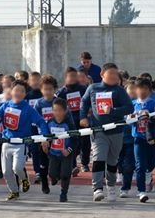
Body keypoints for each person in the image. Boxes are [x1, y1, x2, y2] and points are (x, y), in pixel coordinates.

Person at [81, 63, 134, 202]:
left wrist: (113, 111)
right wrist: (83, 117)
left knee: (112, 161)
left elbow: (129, 108)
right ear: (102, 75)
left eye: (116, 75)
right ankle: (97, 188)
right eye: (111, 74)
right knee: (98, 158)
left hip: (116, 131)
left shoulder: (119, 91)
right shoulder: (93, 88)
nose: (114, 77)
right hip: (99, 131)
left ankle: (110, 185)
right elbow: (84, 103)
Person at [0, 80, 49, 200]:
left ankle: (24, 178)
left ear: (25, 94)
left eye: (22, 91)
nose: (18, 93)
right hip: (6, 142)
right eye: (16, 90)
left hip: (21, 144)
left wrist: (45, 137)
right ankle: (14, 191)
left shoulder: (28, 109)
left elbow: (41, 122)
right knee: (6, 172)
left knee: (17, 168)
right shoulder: (5, 106)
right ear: (11, 91)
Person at [57, 67, 89, 173]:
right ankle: (73, 164)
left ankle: (85, 163)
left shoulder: (83, 89)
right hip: (69, 122)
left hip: (82, 120)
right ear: (66, 78)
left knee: (85, 143)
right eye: (71, 76)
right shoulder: (61, 92)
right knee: (72, 143)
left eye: (75, 76)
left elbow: (88, 102)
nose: (74, 78)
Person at [44, 98, 77, 202]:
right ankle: (54, 178)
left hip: (66, 154)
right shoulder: (49, 123)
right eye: (55, 110)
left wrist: (69, 150)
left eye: (59, 110)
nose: (57, 113)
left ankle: (64, 193)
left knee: (65, 174)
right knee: (52, 173)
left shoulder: (69, 124)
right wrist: (45, 144)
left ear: (65, 111)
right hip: (53, 153)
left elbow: (76, 140)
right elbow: (46, 136)